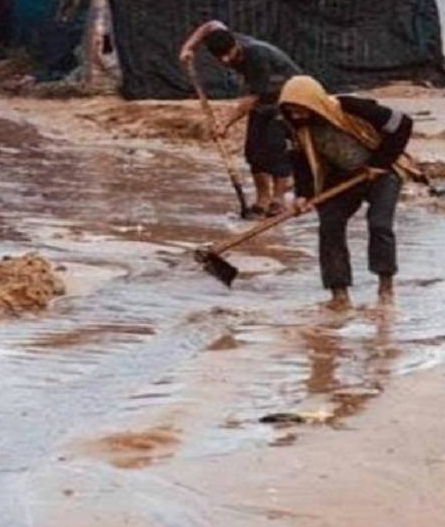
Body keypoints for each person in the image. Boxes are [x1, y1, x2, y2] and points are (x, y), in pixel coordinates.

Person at [278, 76, 418, 312]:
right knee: (330, 225)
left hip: (382, 171)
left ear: (314, 102)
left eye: (300, 109)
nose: (297, 116)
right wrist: (303, 195)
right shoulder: (294, 129)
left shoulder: (350, 107)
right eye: (291, 111)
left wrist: (379, 162)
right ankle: (339, 294)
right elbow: (301, 162)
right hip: (341, 178)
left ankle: (385, 287)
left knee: (379, 224)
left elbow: (403, 123)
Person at [179, 21, 300, 218]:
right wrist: (188, 47)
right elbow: (210, 25)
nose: (225, 60)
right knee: (253, 151)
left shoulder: (256, 55)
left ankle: (278, 200)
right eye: (220, 57)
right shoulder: (223, 37)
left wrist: (225, 124)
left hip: (287, 97)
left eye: (229, 54)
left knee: (276, 148)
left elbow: (252, 98)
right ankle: (262, 200)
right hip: (263, 99)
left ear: (235, 44)